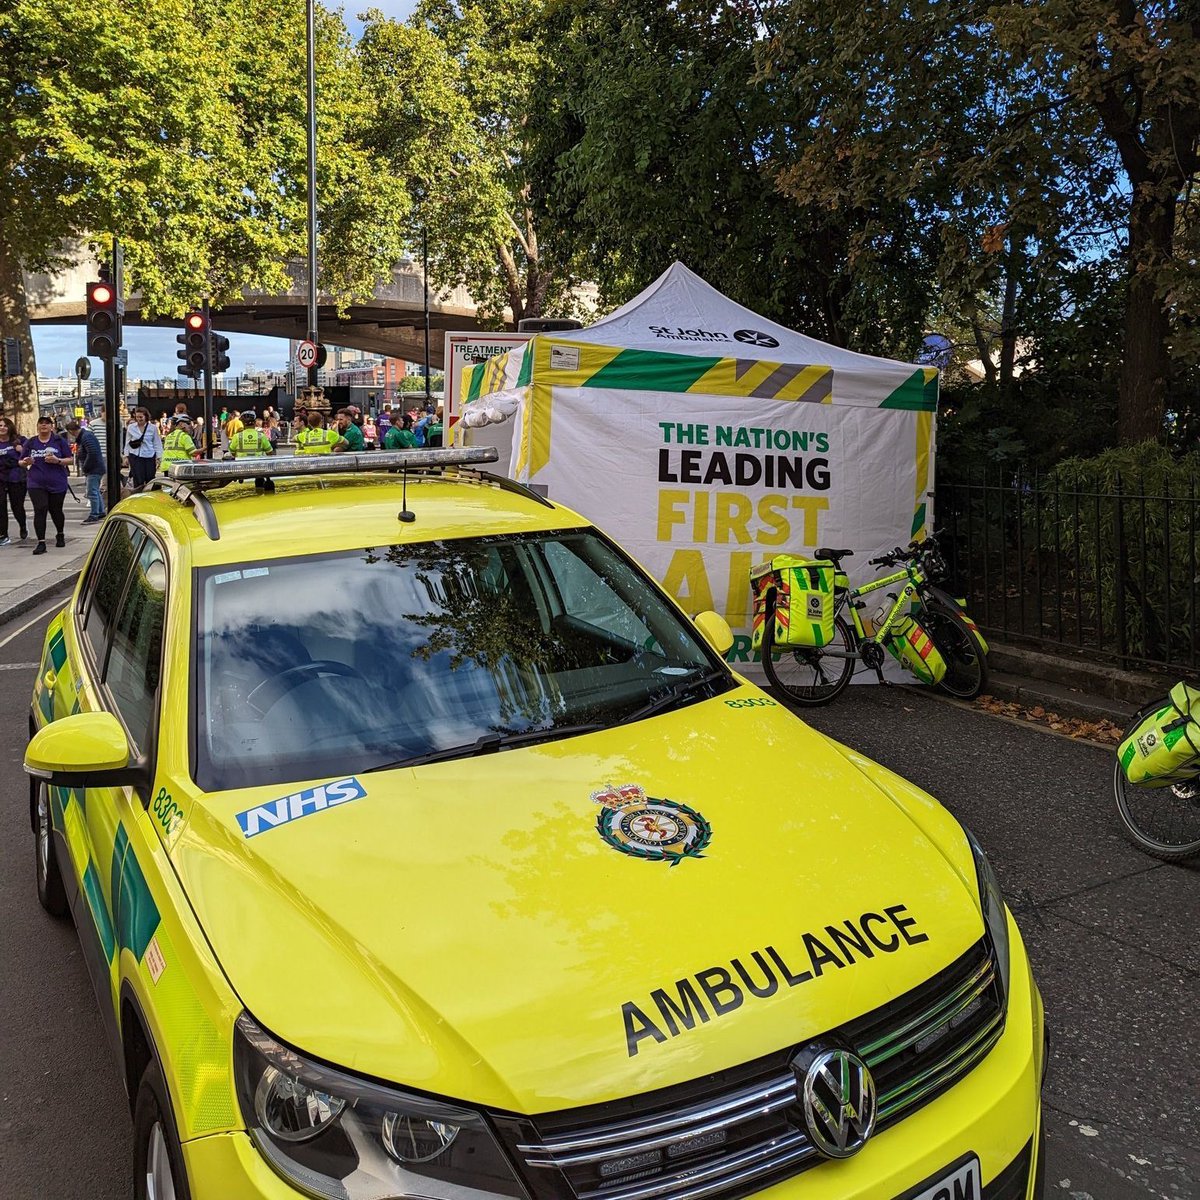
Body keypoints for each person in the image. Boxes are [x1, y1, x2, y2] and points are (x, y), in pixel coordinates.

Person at [19, 415, 71, 554]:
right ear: (37, 426)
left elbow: (70, 460)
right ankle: (41, 542)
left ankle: (60, 534)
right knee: (40, 509)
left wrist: (58, 460)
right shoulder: (31, 442)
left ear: (51, 426)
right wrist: (26, 462)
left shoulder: (59, 441)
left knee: (56, 510)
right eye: (41, 423)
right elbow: (21, 461)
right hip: (36, 482)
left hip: (57, 481)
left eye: (47, 423)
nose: (44, 426)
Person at [66, 419, 106, 523]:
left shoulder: (85, 437)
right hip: (96, 467)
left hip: (93, 468)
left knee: (92, 492)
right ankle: (100, 511)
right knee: (95, 490)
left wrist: (85, 467)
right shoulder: (86, 436)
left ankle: (94, 514)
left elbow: (92, 453)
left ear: (71, 431)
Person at [0, 416, 29, 545]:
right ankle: (3, 534)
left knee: (17, 507)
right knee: (1, 507)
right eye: (0, 426)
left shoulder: (19, 440)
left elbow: (30, 455)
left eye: (5, 425)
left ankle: (22, 525)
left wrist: (21, 450)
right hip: (1, 478)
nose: (2, 428)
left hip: (16, 478)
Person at [123, 406, 163, 491]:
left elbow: (157, 443)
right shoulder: (131, 427)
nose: (139, 419)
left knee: (150, 478)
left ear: (146, 416)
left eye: (141, 417)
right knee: (137, 479)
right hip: (135, 455)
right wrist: (126, 456)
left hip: (149, 456)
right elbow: (127, 442)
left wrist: (159, 457)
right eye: (137, 417)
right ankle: (138, 496)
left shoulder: (153, 428)